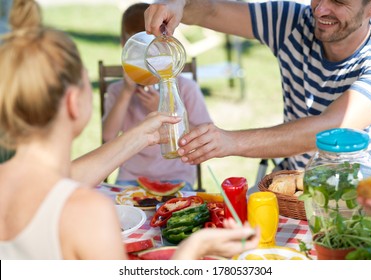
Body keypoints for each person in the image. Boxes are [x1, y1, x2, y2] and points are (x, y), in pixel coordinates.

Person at [0, 0, 259, 260]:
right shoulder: (88, 213)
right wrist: (193, 249)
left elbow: (68, 179)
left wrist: (140, 135)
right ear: (72, 102)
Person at [144, 0, 371, 173]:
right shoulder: (292, 22)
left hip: (363, 200)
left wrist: (230, 141)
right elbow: (210, 11)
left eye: (338, 1)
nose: (320, 8)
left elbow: (330, 128)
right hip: (294, 185)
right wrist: (177, 3)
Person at [102, 2, 212, 190]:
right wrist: (126, 93)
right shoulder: (117, 91)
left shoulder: (186, 88)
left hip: (177, 177)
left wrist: (161, 110)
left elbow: (205, 134)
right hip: (131, 177)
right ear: (124, 46)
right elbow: (108, 136)